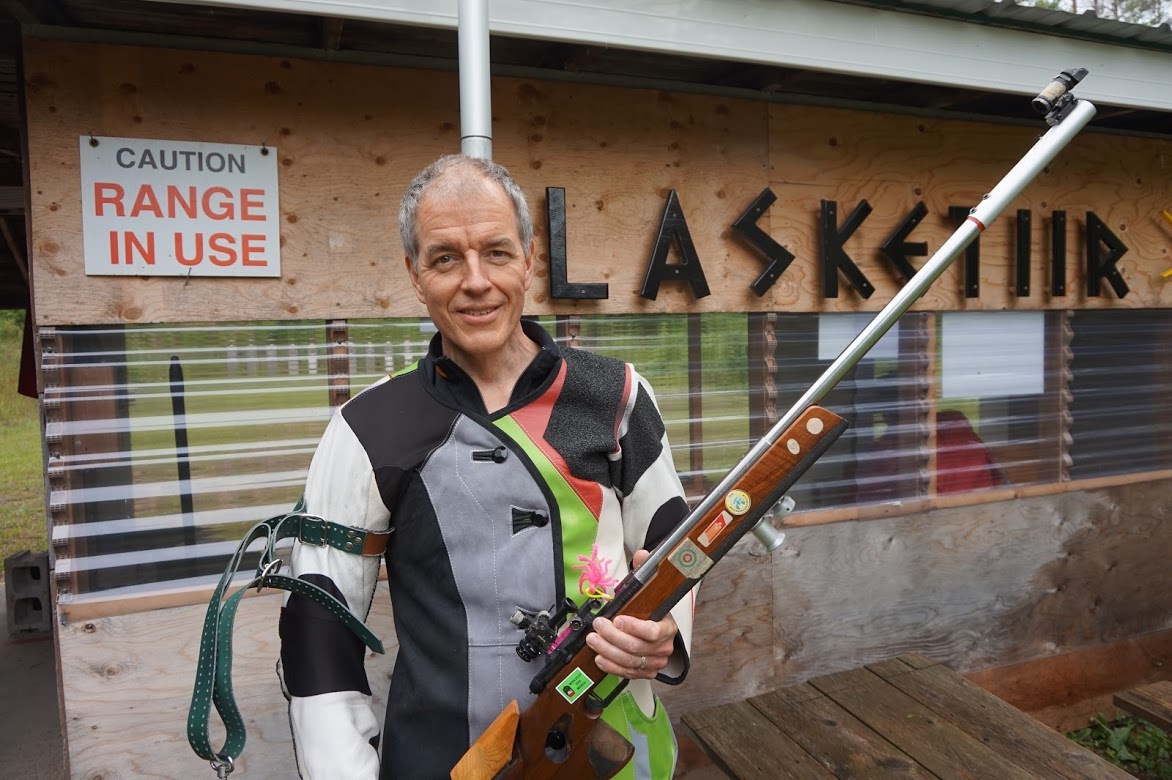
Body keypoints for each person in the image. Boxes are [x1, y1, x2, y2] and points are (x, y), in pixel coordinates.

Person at [278, 154, 694, 779]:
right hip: (443, 762)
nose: (476, 281)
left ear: (528, 259)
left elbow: (675, 546)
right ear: (414, 273)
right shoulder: (366, 428)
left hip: (620, 757)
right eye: (446, 257)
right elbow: (319, 633)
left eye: (497, 253)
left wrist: (665, 638)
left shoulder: (620, 396)